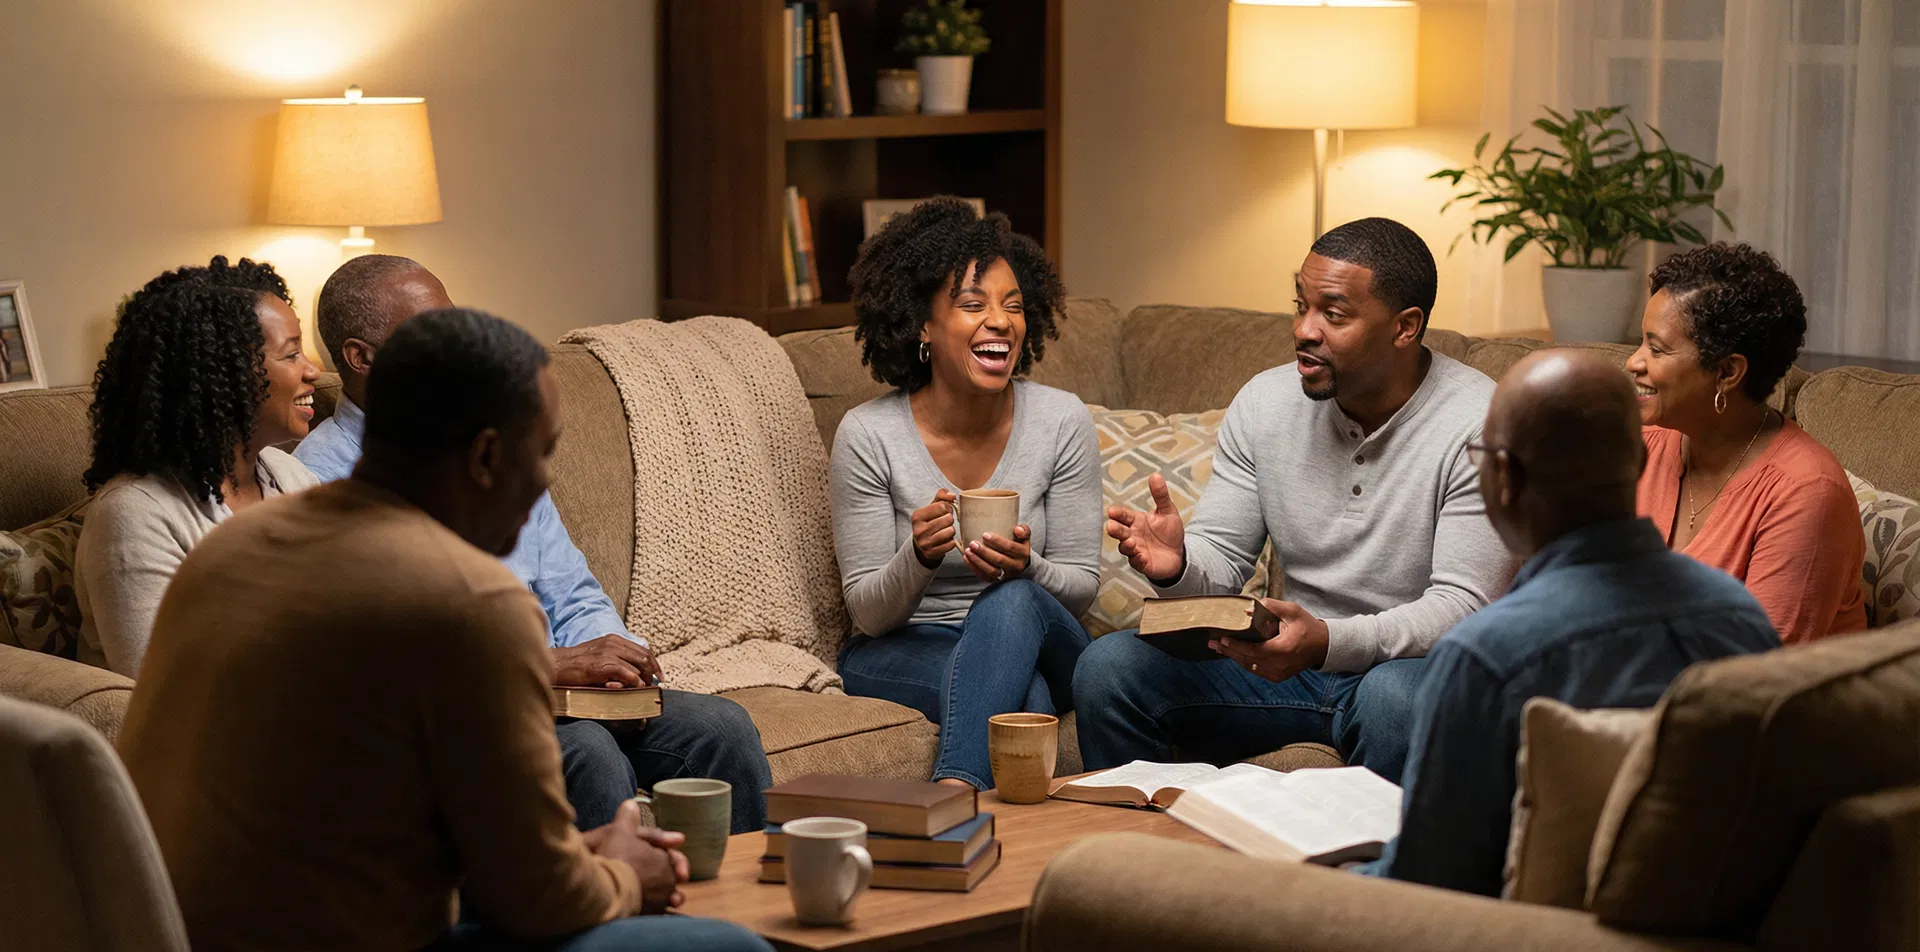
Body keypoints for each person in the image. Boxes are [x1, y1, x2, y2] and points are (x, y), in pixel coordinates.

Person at [116, 307, 784, 952]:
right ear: (487, 456)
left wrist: (581, 859)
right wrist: (624, 876)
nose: (549, 478)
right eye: (547, 451)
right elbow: (540, 906)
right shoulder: (468, 601)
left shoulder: (234, 549)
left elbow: (452, 845)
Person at [294, 255, 771, 833]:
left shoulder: (491, 441)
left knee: (724, 730)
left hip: (565, 692)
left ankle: (747, 917)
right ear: (362, 357)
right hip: (472, 704)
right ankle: (613, 916)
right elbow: (389, 658)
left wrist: (612, 659)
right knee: (588, 753)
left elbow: (570, 589)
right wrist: (549, 665)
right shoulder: (316, 481)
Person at [1074, 218, 1511, 783]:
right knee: (1110, 669)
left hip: (1403, 668)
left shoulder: (1481, 422)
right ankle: (1149, 858)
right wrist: (1180, 565)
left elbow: (1462, 607)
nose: (1304, 330)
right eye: (1300, 305)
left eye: (1333, 314)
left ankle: (1372, 870)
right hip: (1285, 666)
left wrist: (1329, 641)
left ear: (1405, 327)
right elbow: (1223, 560)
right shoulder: (1264, 403)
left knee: (1398, 702)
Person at [1365, 348, 1780, 895]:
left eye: (1479, 455)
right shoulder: (1742, 618)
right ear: (1638, 464)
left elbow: (1427, 889)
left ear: (1505, 477)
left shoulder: (1486, 659)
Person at [830, 197, 1100, 791]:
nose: (1000, 321)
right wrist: (919, 557)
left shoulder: (1061, 421)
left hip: (1043, 633)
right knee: (1020, 693)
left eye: (1013, 306)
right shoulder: (869, 435)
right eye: (973, 305)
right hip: (904, 644)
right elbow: (868, 615)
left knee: (1011, 604)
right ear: (922, 325)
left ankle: (951, 798)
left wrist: (1029, 569)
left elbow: (1082, 587)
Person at [75, 257, 321, 676]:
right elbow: (160, 691)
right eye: (291, 354)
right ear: (227, 374)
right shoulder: (136, 516)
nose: (312, 370)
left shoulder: (289, 475)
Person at [1630, 242, 1867, 643]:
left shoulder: (1806, 493)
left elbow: (1752, 675)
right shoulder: (1641, 447)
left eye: (1656, 349)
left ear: (1727, 372)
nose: (1634, 362)